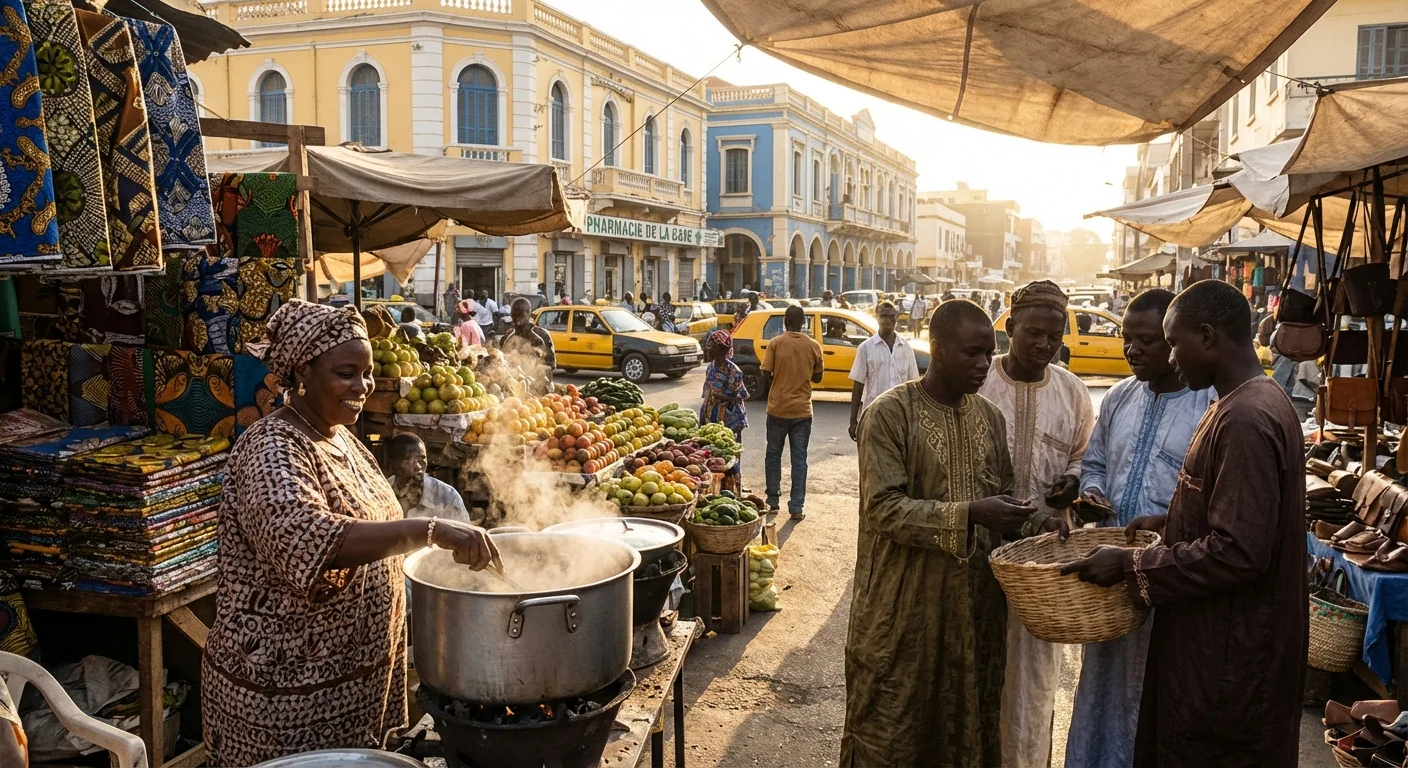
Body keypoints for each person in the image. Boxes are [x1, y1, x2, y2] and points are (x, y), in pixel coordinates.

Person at [201, 300, 498, 766]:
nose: (362, 387)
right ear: (302, 372)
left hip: (354, 692)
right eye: (346, 372)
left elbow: (375, 528)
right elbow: (308, 538)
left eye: (367, 373)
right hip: (285, 703)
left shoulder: (340, 437)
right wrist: (434, 531)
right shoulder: (271, 447)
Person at [1062, 280, 1307, 767]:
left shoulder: (1245, 418)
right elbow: (1228, 512)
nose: (1170, 359)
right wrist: (1173, 522)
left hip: (1232, 649)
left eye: (1173, 344)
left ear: (1209, 336)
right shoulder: (1243, 403)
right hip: (1220, 639)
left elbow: (1239, 551)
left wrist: (1134, 566)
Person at [842, 299, 1060, 767]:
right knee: (895, 726)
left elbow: (1002, 498)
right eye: (972, 354)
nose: (984, 365)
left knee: (968, 724)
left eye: (989, 352)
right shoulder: (889, 414)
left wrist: (1042, 523)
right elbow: (883, 509)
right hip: (902, 609)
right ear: (937, 350)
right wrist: (969, 514)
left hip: (974, 608)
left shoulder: (989, 418)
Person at [1063, 289, 1214, 768]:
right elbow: (1096, 463)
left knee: (1160, 692)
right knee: (1104, 690)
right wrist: (1090, 495)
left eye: (1146, 340)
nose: (1133, 350)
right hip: (1111, 584)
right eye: (1127, 339)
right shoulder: (1118, 397)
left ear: (1175, 342)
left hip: (1171, 582)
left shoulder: (1209, 406)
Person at [977, 280, 1094, 768]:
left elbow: (1088, 458)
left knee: (1033, 681)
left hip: (1043, 568)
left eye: (1055, 336)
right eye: (1034, 333)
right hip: (977, 551)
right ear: (1009, 328)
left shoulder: (1072, 391)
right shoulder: (979, 382)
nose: (1045, 345)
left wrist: (1073, 482)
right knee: (976, 667)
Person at [761, 306, 823, 520]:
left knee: (773, 456)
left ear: (785, 321)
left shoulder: (776, 343)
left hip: (778, 410)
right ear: (803, 323)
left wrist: (776, 384)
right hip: (802, 412)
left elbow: (764, 374)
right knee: (799, 460)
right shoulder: (814, 346)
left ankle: (772, 502)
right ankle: (796, 507)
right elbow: (818, 378)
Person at [848, 301, 919, 442]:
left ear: (896, 317)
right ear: (877, 318)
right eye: (883, 316)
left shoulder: (906, 348)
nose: (887, 320)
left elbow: (914, 386)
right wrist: (853, 421)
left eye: (891, 316)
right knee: (872, 460)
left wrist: (916, 420)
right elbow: (858, 386)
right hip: (874, 415)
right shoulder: (865, 348)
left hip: (900, 416)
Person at [700, 329, 749, 485]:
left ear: (722, 350)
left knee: (730, 455)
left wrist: (723, 396)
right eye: (709, 346)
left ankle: (734, 487)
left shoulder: (733, 370)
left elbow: (742, 394)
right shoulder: (711, 367)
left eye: (713, 347)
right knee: (713, 456)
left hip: (729, 418)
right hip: (710, 417)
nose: (709, 350)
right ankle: (717, 487)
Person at [500, 297, 556, 393]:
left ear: (528, 313)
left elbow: (551, 364)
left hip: (540, 389)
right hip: (513, 389)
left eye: (520, 315)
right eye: (514, 315)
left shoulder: (542, 335)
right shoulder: (506, 338)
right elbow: (501, 364)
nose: (517, 319)